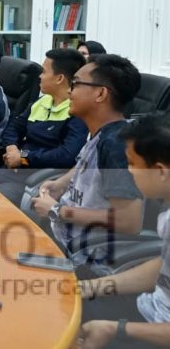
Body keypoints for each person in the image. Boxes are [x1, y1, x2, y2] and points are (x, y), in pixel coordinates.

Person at [31, 54, 144, 256]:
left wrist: (57, 210)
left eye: (75, 84)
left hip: (88, 259)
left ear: (100, 94)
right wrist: (61, 183)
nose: (68, 91)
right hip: (64, 240)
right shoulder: (101, 135)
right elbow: (86, 164)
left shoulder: (116, 145)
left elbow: (129, 221)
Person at [77, 112, 170, 349]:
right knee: (61, 298)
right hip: (150, 308)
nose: (127, 173)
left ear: (159, 171)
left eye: (132, 164)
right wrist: (94, 287)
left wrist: (115, 328)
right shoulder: (166, 212)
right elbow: (163, 267)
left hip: (158, 334)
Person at [0, 48, 88, 205]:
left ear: (59, 78)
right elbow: (12, 128)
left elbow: (66, 156)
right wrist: (12, 149)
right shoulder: (41, 102)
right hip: (12, 169)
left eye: (44, 72)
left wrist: (23, 157)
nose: (39, 76)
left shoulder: (76, 111)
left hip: (37, 180)